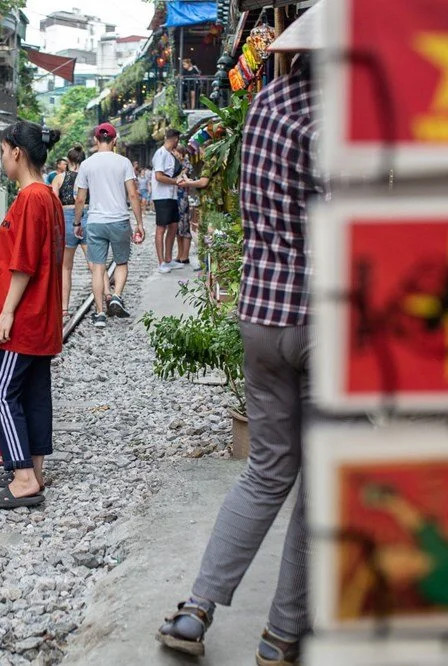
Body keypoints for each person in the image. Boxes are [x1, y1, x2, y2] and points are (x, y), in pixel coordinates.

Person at [157, 53, 321, 666]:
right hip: (325, 321)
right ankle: (280, 635)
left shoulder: (268, 104)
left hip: (262, 316)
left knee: (266, 471)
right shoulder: (346, 116)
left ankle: (194, 610)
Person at [0, 121, 64, 510]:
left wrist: (6, 312)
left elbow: (25, 263)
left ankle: (23, 476)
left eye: (1, 151)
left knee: (1, 391)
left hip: (25, 316)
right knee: (32, 392)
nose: (1, 159)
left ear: (16, 151)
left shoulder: (31, 198)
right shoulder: (47, 195)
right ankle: (34, 468)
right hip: (40, 316)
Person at [73, 123, 145, 328]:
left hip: (95, 221)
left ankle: (100, 314)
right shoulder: (124, 162)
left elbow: (80, 199)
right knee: (121, 263)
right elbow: (133, 194)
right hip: (119, 219)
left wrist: (77, 222)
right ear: (115, 141)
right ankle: (116, 296)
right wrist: (139, 223)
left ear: (96, 141)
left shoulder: (86, 164)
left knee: (98, 267)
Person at [52, 145, 89, 316]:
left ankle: (64, 308)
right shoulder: (89, 177)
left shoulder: (59, 178)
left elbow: (53, 202)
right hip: (88, 215)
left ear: (69, 161)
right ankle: (107, 298)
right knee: (95, 263)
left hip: (67, 218)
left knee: (66, 267)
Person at [151, 129, 183, 274]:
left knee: (173, 226)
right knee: (161, 228)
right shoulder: (161, 153)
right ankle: (161, 262)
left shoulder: (170, 155)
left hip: (172, 195)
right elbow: (159, 176)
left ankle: (169, 259)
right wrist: (175, 182)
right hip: (161, 196)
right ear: (175, 139)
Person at [176, 148, 209, 271]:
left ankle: (203, 263)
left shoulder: (208, 163)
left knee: (190, 229)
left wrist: (188, 183)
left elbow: (203, 182)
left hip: (205, 201)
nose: (200, 154)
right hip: (201, 200)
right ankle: (202, 262)